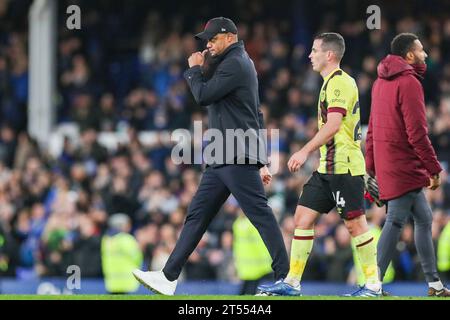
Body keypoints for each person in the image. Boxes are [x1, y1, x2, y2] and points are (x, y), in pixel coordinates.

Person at [132, 17, 289, 295]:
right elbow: (257, 113)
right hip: (224, 153)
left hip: (235, 152)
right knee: (197, 216)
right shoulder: (237, 63)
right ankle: (168, 277)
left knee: (259, 214)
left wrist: (194, 70)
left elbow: (203, 95)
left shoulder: (236, 63)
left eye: (212, 39)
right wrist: (263, 158)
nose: (208, 44)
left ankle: (287, 277)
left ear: (229, 36)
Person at [258, 33, 382, 297]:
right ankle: (292, 282)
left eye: (314, 50)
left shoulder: (340, 83)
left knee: (355, 225)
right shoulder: (328, 84)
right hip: (327, 168)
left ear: (329, 55)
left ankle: (373, 284)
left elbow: (335, 125)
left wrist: (303, 151)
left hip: (344, 167)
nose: (309, 55)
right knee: (301, 218)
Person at [366, 33, 449, 297]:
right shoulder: (410, 82)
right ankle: (373, 284)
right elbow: (417, 133)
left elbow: (372, 130)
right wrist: (434, 168)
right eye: (421, 50)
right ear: (410, 55)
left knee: (424, 219)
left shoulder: (380, 83)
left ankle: (434, 284)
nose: (425, 55)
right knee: (395, 222)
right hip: (404, 164)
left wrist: (371, 166)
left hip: (389, 162)